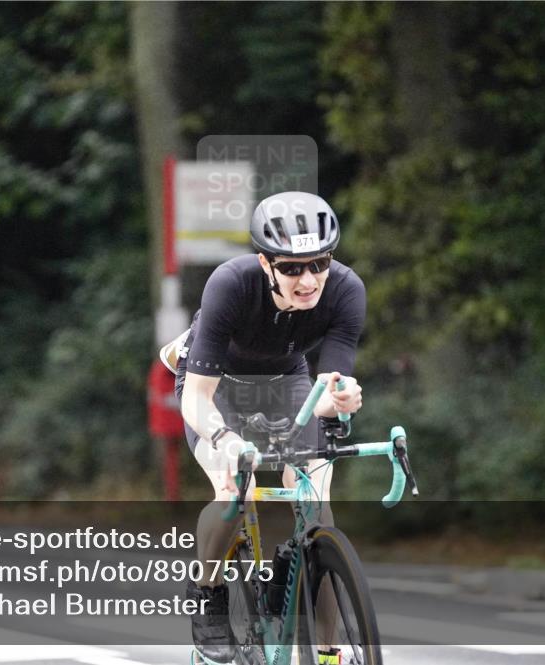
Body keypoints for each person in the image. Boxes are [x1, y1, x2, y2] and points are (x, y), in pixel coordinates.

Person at [165, 191, 365, 664]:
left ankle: (328, 651)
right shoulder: (230, 284)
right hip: (216, 384)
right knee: (234, 487)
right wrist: (225, 440)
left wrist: (342, 399)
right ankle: (208, 589)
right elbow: (196, 397)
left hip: (287, 381)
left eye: (319, 264)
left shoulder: (346, 289)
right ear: (264, 262)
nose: (308, 279)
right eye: (292, 267)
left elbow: (330, 385)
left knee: (318, 503)